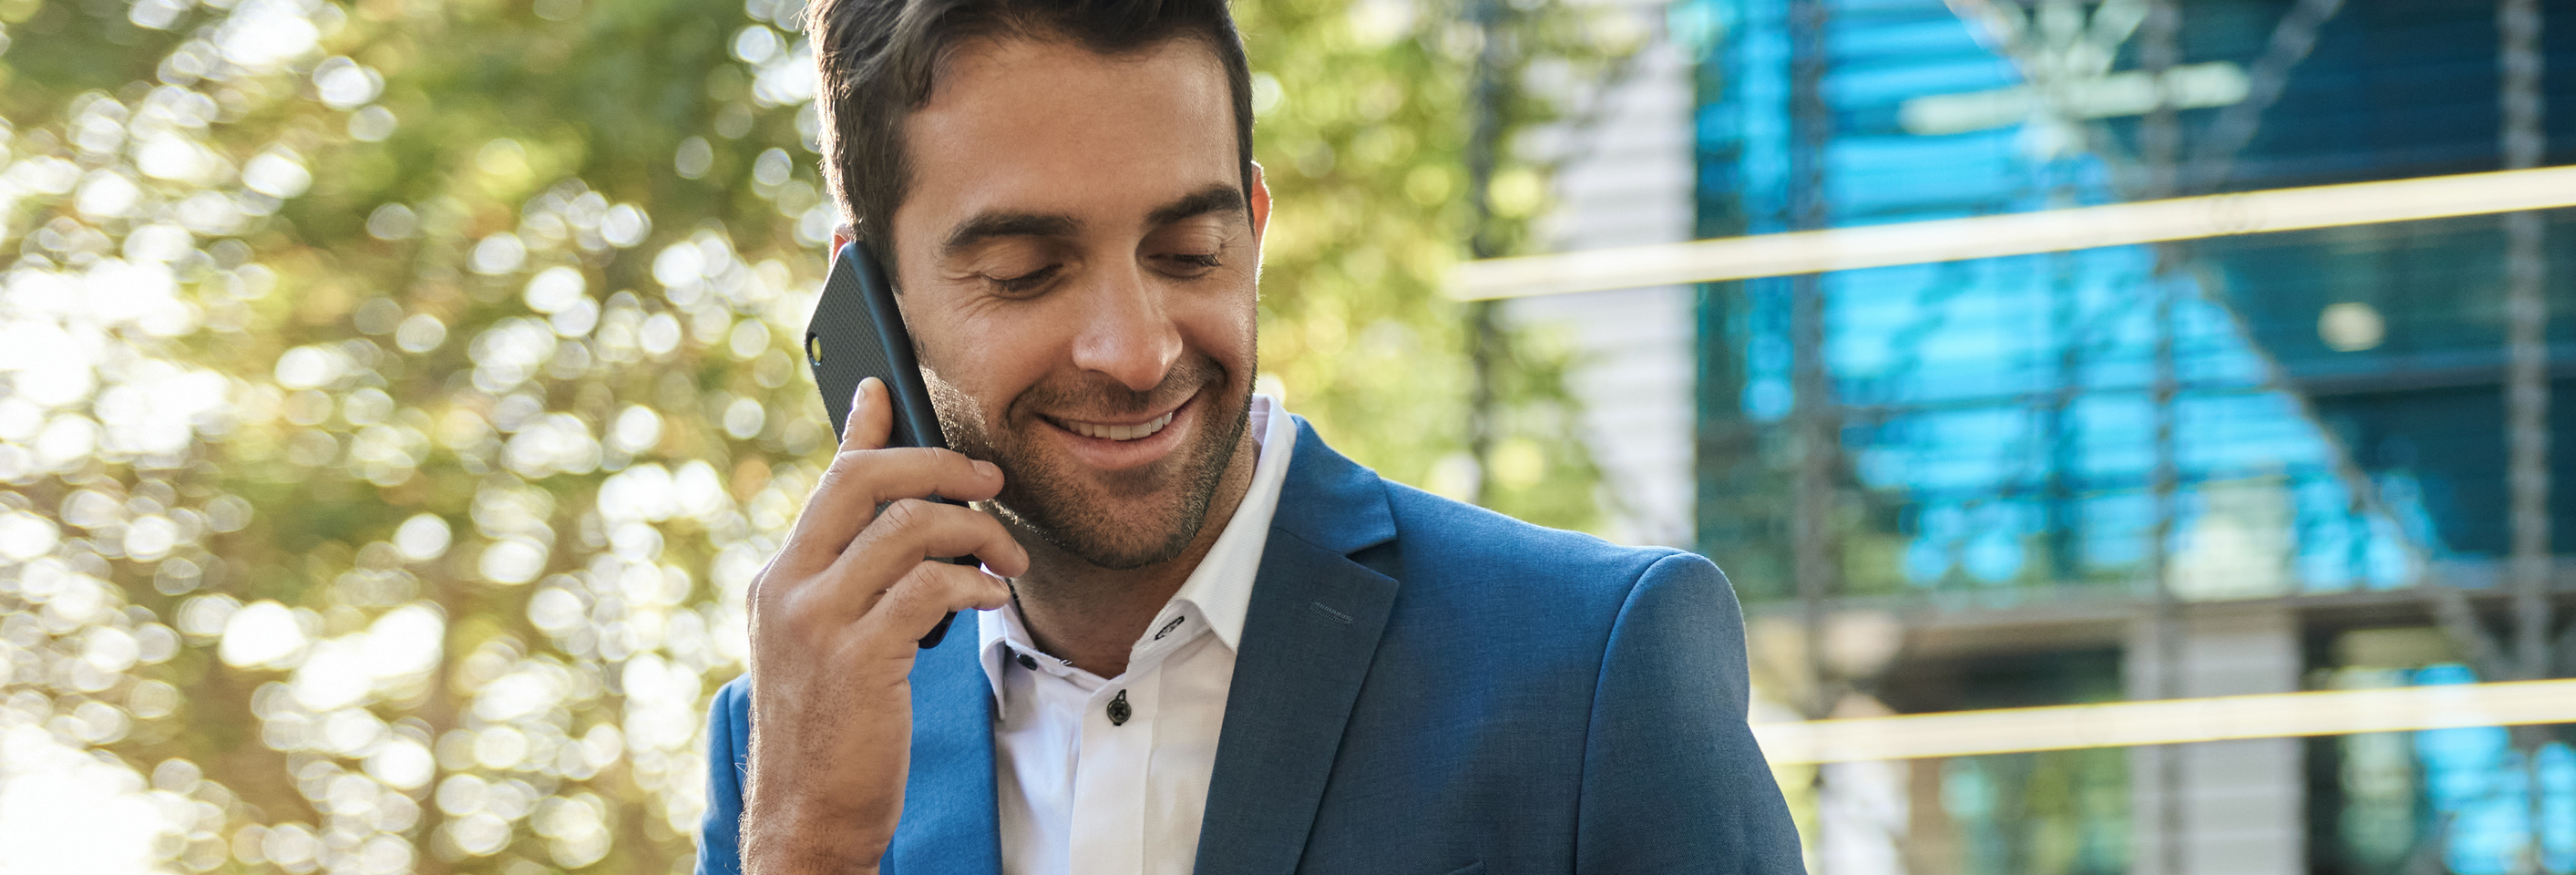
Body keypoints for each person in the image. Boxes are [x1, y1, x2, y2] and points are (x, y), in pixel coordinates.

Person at [689, 0, 1803, 870]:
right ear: (869, 296)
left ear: (1255, 229)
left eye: (1188, 252)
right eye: (1027, 274)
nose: (1132, 353)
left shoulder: (1597, 663)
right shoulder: (783, 742)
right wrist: (803, 855)